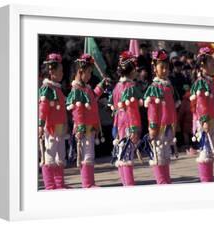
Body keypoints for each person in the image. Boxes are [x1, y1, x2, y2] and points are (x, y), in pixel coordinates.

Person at [66, 53, 107, 188]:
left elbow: (93, 97)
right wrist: (81, 127)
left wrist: (101, 86)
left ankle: (90, 182)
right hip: (84, 128)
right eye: (88, 73)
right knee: (86, 155)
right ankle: (88, 184)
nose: (90, 76)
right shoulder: (77, 90)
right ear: (80, 71)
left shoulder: (86, 88)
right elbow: (77, 111)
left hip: (90, 127)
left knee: (89, 154)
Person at [142, 49, 178, 184]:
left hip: (168, 125)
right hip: (158, 126)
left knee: (166, 153)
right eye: (161, 67)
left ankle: (166, 180)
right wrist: (152, 126)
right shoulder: (154, 87)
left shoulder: (168, 86)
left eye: (166, 67)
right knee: (159, 154)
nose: (165, 70)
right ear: (154, 69)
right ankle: (161, 180)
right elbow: (152, 109)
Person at [108, 51, 143, 186]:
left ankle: (125, 183)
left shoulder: (117, 87)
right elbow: (132, 110)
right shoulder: (130, 87)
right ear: (131, 70)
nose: (137, 71)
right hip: (128, 125)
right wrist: (134, 128)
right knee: (127, 155)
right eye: (135, 68)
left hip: (118, 125)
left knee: (122, 154)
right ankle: (129, 183)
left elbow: (114, 107)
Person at [38, 53, 70, 190]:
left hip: (59, 126)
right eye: (60, 71)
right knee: (50, 154)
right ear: (51, 72)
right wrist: (40, 124)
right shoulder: (47, 89)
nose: (62, 73)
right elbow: (43, 108)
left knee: (60, 154)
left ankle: (59, 183)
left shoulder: (57, 88)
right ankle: (50, 185)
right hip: (50, 126)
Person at [190, 46, 214, 182]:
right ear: (203, 65)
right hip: (205, 122)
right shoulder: (201, 83)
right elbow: (201, 104)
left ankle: (208, 179)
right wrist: (205, 120)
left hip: (211, 120)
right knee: (205, 152)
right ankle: (206, 180)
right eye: (211, 61)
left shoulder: (208, 81)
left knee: (209, 153)